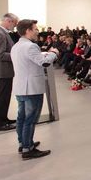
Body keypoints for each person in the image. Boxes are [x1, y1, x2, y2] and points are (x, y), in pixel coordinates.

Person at [11, 19, 58, 160]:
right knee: (30, 119)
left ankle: (24, 143)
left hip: (21, 86)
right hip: (31, 88)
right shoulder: (30, 47)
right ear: (28, 30)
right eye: (35, 29)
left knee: (22, 118)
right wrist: (54, 53)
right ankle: (27, 149)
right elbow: (44, 62)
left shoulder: (16, 46)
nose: (37, 31)